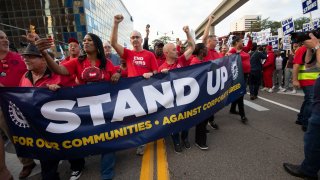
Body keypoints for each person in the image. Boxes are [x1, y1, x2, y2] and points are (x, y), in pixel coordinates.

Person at [36, 33, 120, 180]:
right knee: (83, 138)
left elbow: (118, 74)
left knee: (108, 139)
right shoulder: (77, 62)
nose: (85, 42)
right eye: (84, 40)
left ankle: (107, 173)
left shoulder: (106, 63)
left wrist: (117, 74)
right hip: (84, 110)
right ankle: (78, 165)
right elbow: (58, 69)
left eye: (89, 40)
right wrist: (44, 53)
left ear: (97, 44)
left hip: (105, 108)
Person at [110, 14, 158, 156]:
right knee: (135, 118)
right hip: (132, 92)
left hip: (148, 90)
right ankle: (140, 141)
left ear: (141, 40)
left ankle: (147, 139)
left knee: (147, 117)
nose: (135, 39)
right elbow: (113, 43)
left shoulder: (149, 55)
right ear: (130, 41)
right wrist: (115, 23)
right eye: (133, 37)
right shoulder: (128, 54)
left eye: (137, 37)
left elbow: (156, 71)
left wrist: (152, 74)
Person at [283, 33, 320, 180]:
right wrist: (312, 49)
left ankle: (309, 170)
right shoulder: (306, 49)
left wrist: (317, 46)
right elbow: (308, 64)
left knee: (314, 134)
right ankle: (309, 169)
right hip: (310, 85)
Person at [0, 30, 36, 180]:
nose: (6, 40)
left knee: (24, 133)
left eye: (6, 37)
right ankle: (18, 166)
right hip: (1, 107)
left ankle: (36, 160)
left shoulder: (20, 59)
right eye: (1, 38)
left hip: (20, 104)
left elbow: (35, 71)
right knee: (9, 137)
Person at [158, 26, 195, 153]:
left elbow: (192, 48)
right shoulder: (161, 68)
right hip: (172, 101)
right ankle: (176, 141)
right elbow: (157, 87)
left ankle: (185, 138)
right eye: (173, 50)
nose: (177, 51)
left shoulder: (181, 60)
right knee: (174, 122)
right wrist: (162, 75)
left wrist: (187, 33)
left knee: (187, 119)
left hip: (185, 96)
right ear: (166, 53)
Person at [202, 15, 222, 130]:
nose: (217, 42)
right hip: (205, 82)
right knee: (206, 104)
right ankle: (203, 125)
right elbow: (204, 37)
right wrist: (210, 21)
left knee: (213, 103)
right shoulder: (205, 50)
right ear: (209, 42)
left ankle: (211, 120)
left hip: (215, 81)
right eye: (215, 40)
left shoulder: (217, 52)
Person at [292, 42, 318, 131]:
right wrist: (295, 80)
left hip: (315, 80)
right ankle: (306, 124)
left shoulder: (317, 47)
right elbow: (296, 65)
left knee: (308, 100)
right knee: (311, 101)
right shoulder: (303, 48)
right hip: (307, 79)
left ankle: (301, 118)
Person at [228, 36, 251, 123]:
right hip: (238, 76)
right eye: (241, 41)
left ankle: (232, 109)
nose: (243, 43)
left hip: (245, 75)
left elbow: (249, 47)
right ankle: (243, 116)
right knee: (240, 94)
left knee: (237, 93)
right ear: (237, 43)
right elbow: (228, 58)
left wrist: (250, 39)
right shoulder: (233, 51)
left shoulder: (242, 50)